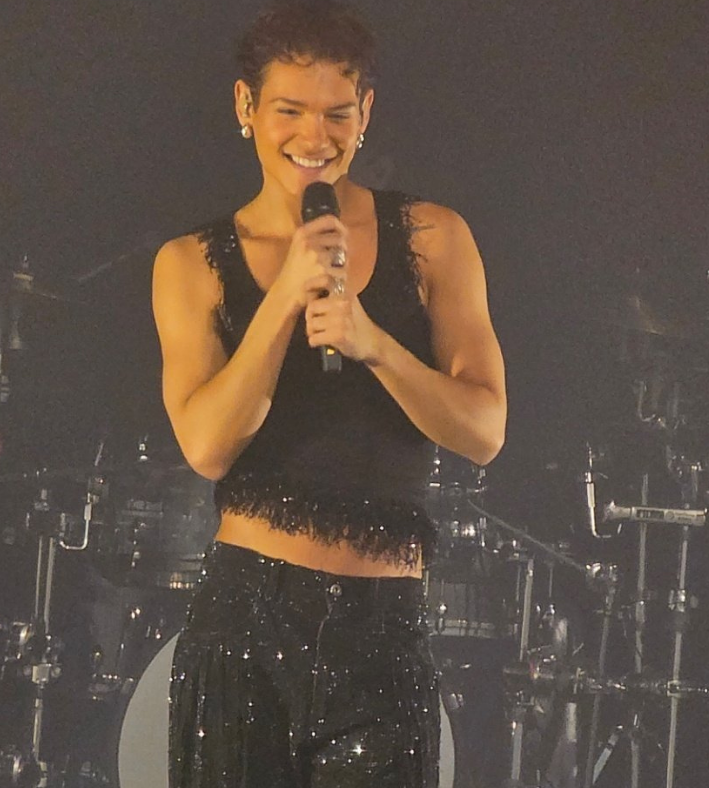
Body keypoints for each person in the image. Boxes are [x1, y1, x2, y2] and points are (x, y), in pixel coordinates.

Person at [151, 2, 506, 785]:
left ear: (365, 113)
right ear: (246, 107)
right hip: (246, 623)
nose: (315, 137)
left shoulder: (435, 236)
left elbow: (484, 430)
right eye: (290, 110)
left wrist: (374, 343)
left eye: (337, 114)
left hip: (383, 629)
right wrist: (284, 296)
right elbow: (208, 447)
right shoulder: (190, 262)